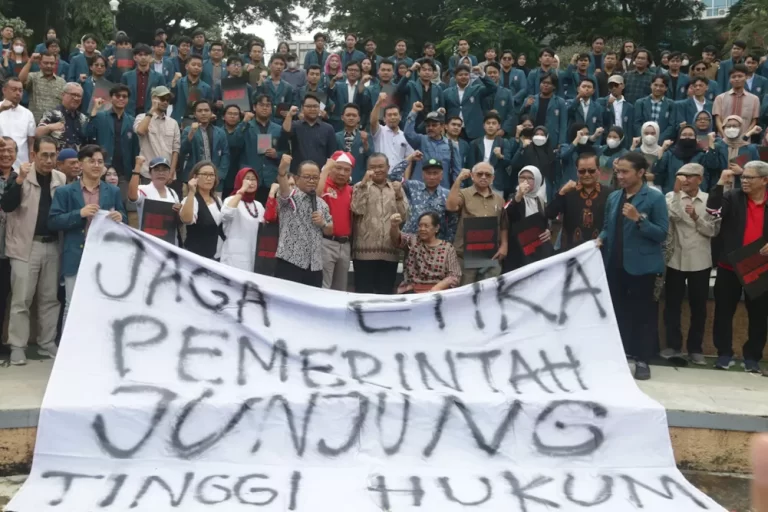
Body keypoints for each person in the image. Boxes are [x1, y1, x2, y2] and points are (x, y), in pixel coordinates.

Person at [597, 152, 669, 380]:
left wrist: (639, 219)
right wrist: (600, 238)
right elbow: (608, 227)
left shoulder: (655, 198)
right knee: (617, 313)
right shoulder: (614, 197)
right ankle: (618, 358)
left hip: (642, 267)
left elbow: (661, 234)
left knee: (642, 315)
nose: (620, 176)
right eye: (618, 171)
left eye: (625, 171)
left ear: (640, 173)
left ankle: (642, 359)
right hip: (615, 265)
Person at [1, 136, 66, 365]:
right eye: (44, 155)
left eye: (53, 155)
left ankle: (47, 342)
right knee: (21, 300)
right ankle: (18, 345)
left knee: (50, 299)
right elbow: (7, 205)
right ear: (34, 155)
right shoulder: (21, 176)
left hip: (53, 245)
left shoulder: (61, 178)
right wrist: (18, 180)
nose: (49, 160)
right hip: (25, 246)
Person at [48, 144, 126, 324]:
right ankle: (68, 350)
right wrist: (79, 214)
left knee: (102, 305)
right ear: (80, 165)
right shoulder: (65, 191)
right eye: (91, 161)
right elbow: (53, 222)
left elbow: (124, 219)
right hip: (75, 255)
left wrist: (120, 217)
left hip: (103, 257)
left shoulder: (112, 191)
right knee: (72, 304)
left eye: (100, 161)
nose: (97, 165)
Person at [708, 161, 768, 373]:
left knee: (759, 315)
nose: (744, 181)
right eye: (743, 177)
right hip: (729, 265)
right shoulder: (733, 197)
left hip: (760, 269)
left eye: (749, 178)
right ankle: (724, 353)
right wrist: (719, 186)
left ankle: (752, 357)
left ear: (764, 180)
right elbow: (713, 212)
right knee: (724, 312)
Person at [663, 162, 716, 365]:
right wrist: (677, 194)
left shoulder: (709, 200)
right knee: (672, 305)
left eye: (689, 176)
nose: (685, 179)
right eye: (681, 175)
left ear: (700, 179)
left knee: (699, 307)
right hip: (675, 259)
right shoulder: (670, 197)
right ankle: (673, 346)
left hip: (700, 261)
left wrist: (696, 218)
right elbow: (674, 216)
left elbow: (713, 231)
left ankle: (695, 349)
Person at [350, 152, 409, 293]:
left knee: (385, 294)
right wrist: (364, 185)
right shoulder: (360, 186)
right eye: (372, 167)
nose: (377, 170)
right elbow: (356, 209)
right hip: (364, 253)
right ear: (367, 169)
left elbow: (404, 216)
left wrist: (399, 195)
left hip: (390, 252)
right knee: (364, 295)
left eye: (381, 166)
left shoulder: (395, 188)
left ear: (388, 167)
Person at [275, 155, 333, 287]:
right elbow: (283, 186)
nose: (312, 181)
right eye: (307, 177)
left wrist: (323, 223)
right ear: (296, 178)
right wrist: (282, 170)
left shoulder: (322, 203)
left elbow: (330, 229)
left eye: (315, 177)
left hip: (315, 266)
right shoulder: (291, 197)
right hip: (290, 262)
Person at [446, 163, 508, 284]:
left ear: (492, 178)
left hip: (491, 255)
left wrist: (504, 245)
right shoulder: (464, 194)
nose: (484, 177)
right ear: (472, 176)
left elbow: (503, 224)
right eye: (480, 174)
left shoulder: (499, 199)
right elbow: (451, 206)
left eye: (488, 175)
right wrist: (458, 180)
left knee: (489, 293)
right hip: (465, 255)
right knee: (464, 293)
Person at [546, 152, 611, 249]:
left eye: (591, 171)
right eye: (582, 171)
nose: (587, 174)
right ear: (577, 171)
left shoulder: (609, 193)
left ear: (599, 170)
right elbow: (550, 214)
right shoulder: (568, 191)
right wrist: (562, 192)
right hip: (571, 251)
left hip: (599, 251)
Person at [389, 154, 457, 241]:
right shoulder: (413, 186)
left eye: (435, 173)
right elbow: (394, 177)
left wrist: (447, 244)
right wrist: (410, 158)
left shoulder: (447, 194)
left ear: (441, 176)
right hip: (410, 241)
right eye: (428, 173)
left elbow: (453, 222)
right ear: (423, 175)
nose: (432, 177)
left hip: (434, 244)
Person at [389, 211, 461, 293]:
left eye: (426, 226)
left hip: (438, 291)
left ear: (436, 228)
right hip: (412, 290)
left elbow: (454, 276)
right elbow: (397, 238)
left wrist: (437, 288)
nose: (422, 229)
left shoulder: (448, 248)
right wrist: (394, 226)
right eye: (420, 226)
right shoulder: (413, 241)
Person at [86, 85, 136, 190]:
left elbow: (135, 149)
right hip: (102, 168)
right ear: (111, 98)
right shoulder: (100, 116)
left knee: (121, 204)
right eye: (117, 96)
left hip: (123, 172)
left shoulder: (132, 120)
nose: (121, 98)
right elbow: (87, 134)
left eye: (124, 96)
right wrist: (94, 110)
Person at [504, 165, 553, 271]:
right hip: (518, 250)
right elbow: (508, 214)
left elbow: (544, 221)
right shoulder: (514, 197)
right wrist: (519, 196)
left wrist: (548, 231)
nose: (525, 181)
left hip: (536, 249)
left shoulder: (539, 199)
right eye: (522, 177)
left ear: (537, 180)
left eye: (530, 178)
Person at [316, 152, 354, 290]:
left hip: (345, 244)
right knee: (323, 288)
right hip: (326, 242)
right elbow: (314, 197)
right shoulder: (323, 185)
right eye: (338, 168)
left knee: (341, 289)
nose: (342, 173)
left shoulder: (351, 190)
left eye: (346, 170)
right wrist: (325, 170)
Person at [218, 167, 266, 271]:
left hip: (254, 254)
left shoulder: (258, 205)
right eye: (247, 179)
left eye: (254, 179)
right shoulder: (231, 200)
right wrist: (241, 191)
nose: (251, 182)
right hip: (234, 255)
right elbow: (226, 214)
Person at [241, 95, 283, 202]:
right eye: (261, 105)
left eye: (268, 105)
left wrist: (276, 154)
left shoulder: (278, 129)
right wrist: (243, 122)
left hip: (272, 177)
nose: (265, 108)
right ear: (254, 107)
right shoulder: (246, 126)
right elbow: (235, 143)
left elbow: (287, 152)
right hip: (251, 176)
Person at [134, 87, 180, 184]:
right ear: (153, 98)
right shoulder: (141, 117)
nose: (165, 102)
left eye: (168, 100)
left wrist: (171, 172)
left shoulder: (173, 123)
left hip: (167, 175)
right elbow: (140, 131)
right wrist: (151, 111)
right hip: (147, 173)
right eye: (162, 99)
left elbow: (175, 150)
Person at [405, 106, 460, 188]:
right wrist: (413, 112)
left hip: (442, 191)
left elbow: (457, 172)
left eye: (434, 125)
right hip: (419, 189)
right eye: (428, 125)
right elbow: (408, 133)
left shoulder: (452, 145)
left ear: (442, 127)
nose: (430, 128)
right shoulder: (421, 140)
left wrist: (457, 190)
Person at [128, 155, 181, 239]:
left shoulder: (173, 193)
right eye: (156, 170)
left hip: (169, 242)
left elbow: (178, 219)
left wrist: (179, 210)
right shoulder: (143, 189)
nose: (161, 173)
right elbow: (132, 196)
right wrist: (137, 166)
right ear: (150, 173)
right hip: (148, 242)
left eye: (164, 170)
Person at [179, 99, 230, 185]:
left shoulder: (220, 132)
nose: (203, 113)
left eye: (206, 110)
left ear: (211, 113)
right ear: (194, 114)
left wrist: (220, 175)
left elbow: (226, 154)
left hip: (215, 178)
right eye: (199, 111)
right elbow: (183, 151)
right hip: (194, 178)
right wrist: (191, 134)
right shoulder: (188, 130)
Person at [180, 161, 224, 260]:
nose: (209, 178)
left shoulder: (217, 200)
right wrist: (191, 191)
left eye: (212, 175)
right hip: (195, 257)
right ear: (195, 177)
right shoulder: (191, 200)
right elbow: (186, 219)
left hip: (215, 256)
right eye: (204, 174)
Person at [282, 98, 337, 174]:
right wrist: (289, 115)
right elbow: (285, 132)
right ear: (302, 108)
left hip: (320, 174)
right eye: (309, 106)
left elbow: (332, 154)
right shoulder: (295, 125)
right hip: (297, 174)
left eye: (315, 106)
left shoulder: (328, 128)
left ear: (320, 109)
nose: (312, 109)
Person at [443, 64, 497, 140]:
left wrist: (482, 74)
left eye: (466, 74)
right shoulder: (447, 93)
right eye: (460, 75)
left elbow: (493, 88)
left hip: (474, 131)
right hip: (454, 130)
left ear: (469, 76)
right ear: (455, 77)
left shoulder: (477, 89)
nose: (463, 77)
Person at [468, 112, 511, 195]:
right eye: (488, 123)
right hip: (477, 181)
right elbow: (471, 165)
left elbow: (508, 163)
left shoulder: (504, 142)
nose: (490, 126)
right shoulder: (475, 143)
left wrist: (500, 156)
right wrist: (471, 183)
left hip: (496, 183)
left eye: (494, 123)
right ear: (484, 126)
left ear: (499, 126)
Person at [521, 71, 567, 147]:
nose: (545, 85)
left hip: (552, 139)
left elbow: (563, 125)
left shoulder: (560, 102)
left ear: (554, 86)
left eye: (548, 83)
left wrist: (561, 143)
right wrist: (526, 106)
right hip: (532, 137)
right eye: (543, 83)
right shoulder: (531, 99)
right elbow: (521, 117)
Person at [35, 82, 87, 150]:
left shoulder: (83, 119)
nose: (76, 98)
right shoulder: (51, 114)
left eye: (79, 96)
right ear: (63, 95)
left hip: (78, 159)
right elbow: (37, 134)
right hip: (57, 158)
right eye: (73, 94)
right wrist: (50, 127)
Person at [119, 44, 166, 117]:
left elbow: (163, 98)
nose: (143, 57)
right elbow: (121, 97)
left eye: (146, 55)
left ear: (150, 57)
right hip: (130, 114)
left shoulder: (159, 77)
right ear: (135, 57)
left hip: (152, 114)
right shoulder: (126, 76)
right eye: (140, 55)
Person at [18, 52, 67, 123]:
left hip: (54, 126)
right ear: (40, 64)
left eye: (52, 63)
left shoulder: (62, 82)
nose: (49, 66)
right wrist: (30, 62)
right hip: (34, 123)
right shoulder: (33, 77)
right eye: (46, 63)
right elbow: (20, 80)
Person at [370, 92, 413, 170]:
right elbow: (373, 121)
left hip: (398, 178)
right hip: (380, 174)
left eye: (395, 114)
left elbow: (408, 160)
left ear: (400, 117)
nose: (393, 117)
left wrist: (405, 180)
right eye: (389, 115)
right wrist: (378, 103)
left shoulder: (405, 136)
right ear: (384, 119)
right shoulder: (380, 131)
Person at [713, 64, 759, 136]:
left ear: (746, 77)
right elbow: (718, 120)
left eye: (740, 76)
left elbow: (754, 121)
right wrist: (724, 135)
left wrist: (745, 136)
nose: (736, 79)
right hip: (723, 140)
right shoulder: (720, 98)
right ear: (730, 79)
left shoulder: (754, 99)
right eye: (733, 77)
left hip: (744, 141)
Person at [633, 74, 676, 145]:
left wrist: (658, 140)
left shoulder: (671, 104)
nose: (658, 88)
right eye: (655, 85)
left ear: (666, 88)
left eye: (661, 86)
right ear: (651, 85)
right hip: (643, 142)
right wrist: (645, 139)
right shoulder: (640, 103)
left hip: (662, 143)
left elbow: (671, 126)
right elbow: (637, 123)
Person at [0, 77, 35, 164]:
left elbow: (31, 143)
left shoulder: (28, 114)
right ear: (4, 90)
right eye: (14, 90)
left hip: (21, 164)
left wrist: (31, 163)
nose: (18, 93)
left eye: (20, 90)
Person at [170, 54, 212, 124]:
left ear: (202, 69)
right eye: (193, 64)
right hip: (178, 121)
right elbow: (171, 101)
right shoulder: (178, 83)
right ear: (187, 66)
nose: (196, 67)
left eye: (199, 65)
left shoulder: (206, 87)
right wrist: (173, 84)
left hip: (197, 122)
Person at [335, 103, 372, 183]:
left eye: (354, 115)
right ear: (342, 117)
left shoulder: (366, 136)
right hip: (339, 179)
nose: (351, 118)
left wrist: (365, 143)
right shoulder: (336, 136)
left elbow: (371, 158)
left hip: (360, 179)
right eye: (348, 115)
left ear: (359, 118)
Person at [258, 53, 295, 122]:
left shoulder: (288, 87)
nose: (279, 66)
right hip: (265, 121)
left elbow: (290, 104)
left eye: (281, 64)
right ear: (270, 65)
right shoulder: (264, 84)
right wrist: (260, 84)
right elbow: (255, 100)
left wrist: (288, 113)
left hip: (281, 123)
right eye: (276, 63)